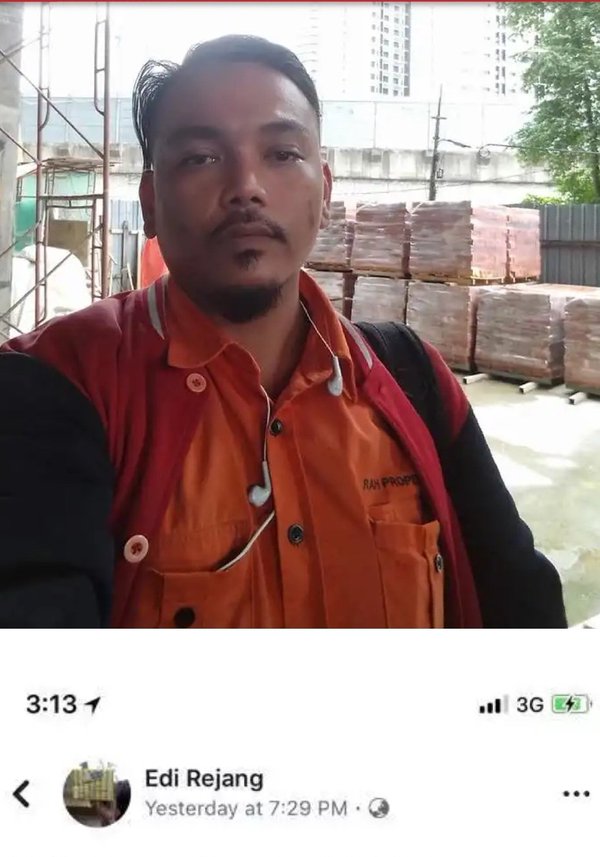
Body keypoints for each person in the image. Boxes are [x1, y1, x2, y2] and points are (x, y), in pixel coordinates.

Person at [0, 35, 566, 629]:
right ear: (149, 202)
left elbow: (519, 600)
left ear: (325, 191)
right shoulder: (55, 387)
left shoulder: (411, 379)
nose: (246, 186)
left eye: (282, 153)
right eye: (201, 157)